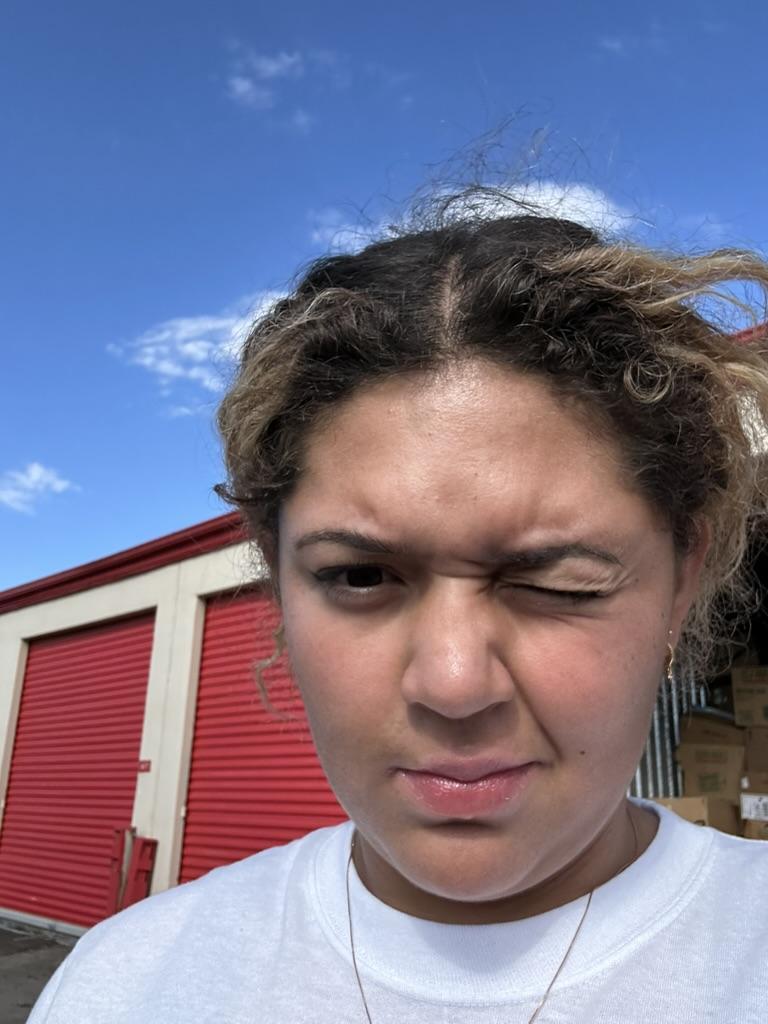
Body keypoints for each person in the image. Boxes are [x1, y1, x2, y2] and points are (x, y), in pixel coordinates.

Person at [28, 192, 768, 1022]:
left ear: (681, 582)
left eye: (559, 584)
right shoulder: (124, 984)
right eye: (358, 577)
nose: (453, 685)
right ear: (280, 584)